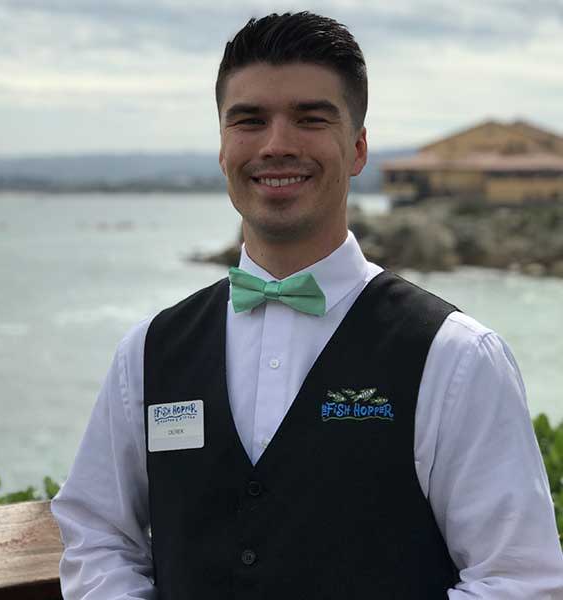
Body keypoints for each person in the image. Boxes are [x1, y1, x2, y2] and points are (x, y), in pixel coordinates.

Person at [51, 11, 563, 599]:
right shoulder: (146, 353)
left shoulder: (457, 356)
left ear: (358, 149)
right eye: (249, 120)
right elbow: (95, 534)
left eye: (310, 118)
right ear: (222, 149)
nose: (276, 144)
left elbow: (519, 580)